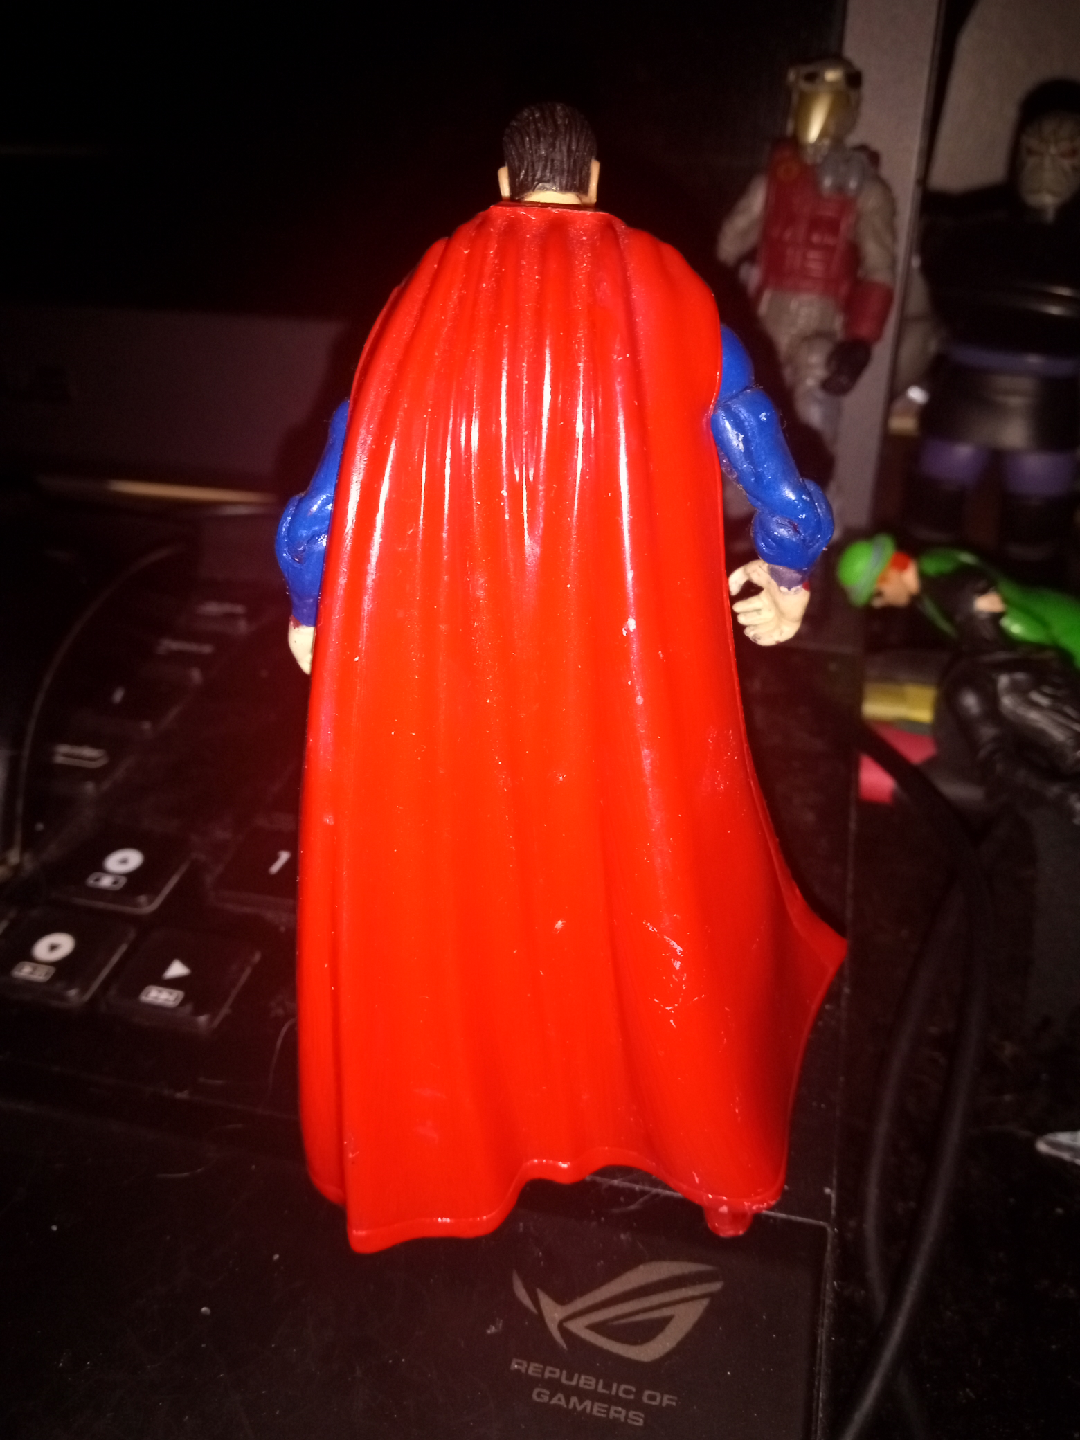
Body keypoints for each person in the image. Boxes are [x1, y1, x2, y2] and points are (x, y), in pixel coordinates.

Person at [276, 103, 843, 1253]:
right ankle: (703, 1144)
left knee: (466, 887)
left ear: (503, 181)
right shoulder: (670, 291)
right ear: (590, 179)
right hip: (626, 679)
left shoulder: (419, 298)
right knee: (647, 877)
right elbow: (775, 473)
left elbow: (317, 513)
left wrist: (308, 607)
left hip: (464, 679)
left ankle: (465, 1131)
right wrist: (787, 570)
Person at [907, 83, 1080, 574]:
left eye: (1065, 153)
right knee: (934, 511)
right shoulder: (966, 231)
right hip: (968, 392)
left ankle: (1027, 594)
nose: (1047, 165)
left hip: (1046, 403)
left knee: (1034, 528)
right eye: (1037, 150)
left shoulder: (966, 231)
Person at [717, 57, 896, 454]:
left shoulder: (865, 190)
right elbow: (727, 246)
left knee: (813, 410)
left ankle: (813, 486)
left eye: (826, 100)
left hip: (824, 315)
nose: (813, 111)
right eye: (806, 99)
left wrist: (861, 339)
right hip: (767, 307)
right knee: (747, 408)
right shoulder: (774, 182)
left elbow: (879, 269)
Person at [837, 532, 1080, 668]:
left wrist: (1047, 664)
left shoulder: (939, 581)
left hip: (1066, 636)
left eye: (877, 595)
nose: (879, 604)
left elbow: (1018, 624)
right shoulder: (930, 580)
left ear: (889, 574)